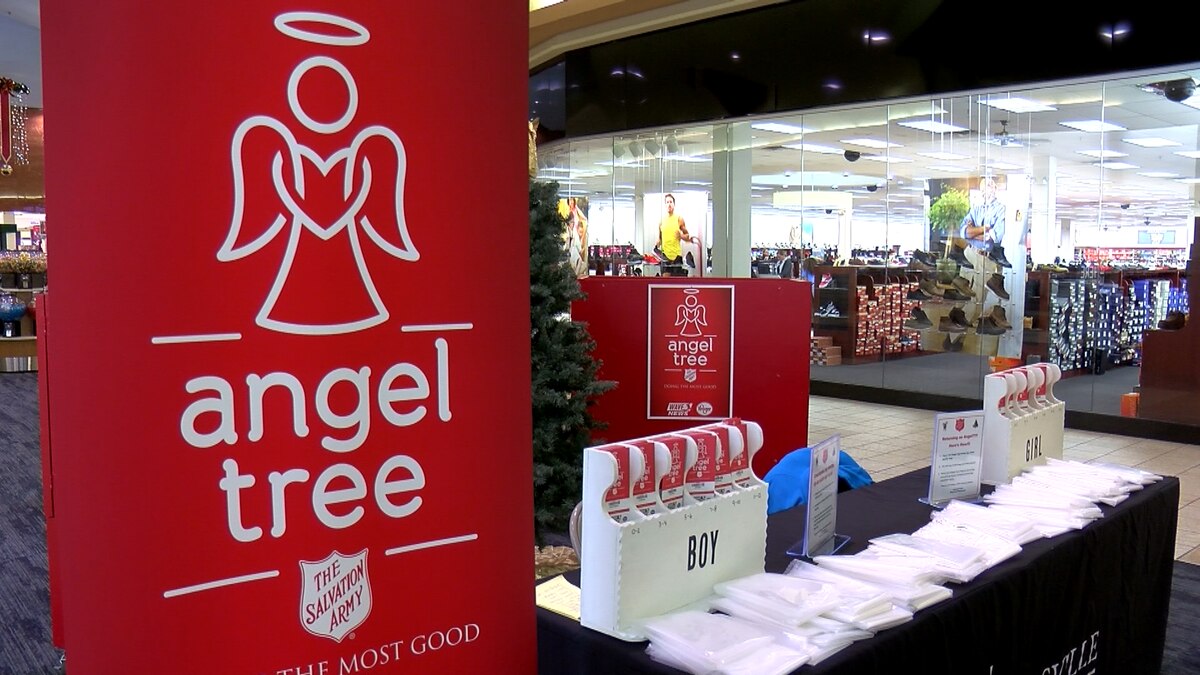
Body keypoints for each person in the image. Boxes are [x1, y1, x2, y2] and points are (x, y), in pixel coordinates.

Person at [959, 177, 1005, 249]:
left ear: (995, 189)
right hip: (972, 253)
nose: (984, 191)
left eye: (988, 187)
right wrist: (985, 228)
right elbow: (964, 232)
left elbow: (993, 237)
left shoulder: (1001, 210)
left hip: (990, 257)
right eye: (982, 189)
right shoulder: (976, 209)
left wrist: (973, 233)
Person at [654, 193, 695, 274]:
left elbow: (687, 236)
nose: (669, 204)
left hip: (676, 256)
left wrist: (681, 236)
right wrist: (658, 242)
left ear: (674, 204)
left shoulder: (679, 219)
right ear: (665, 205)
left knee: (675, 284)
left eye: (671, 202)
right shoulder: (662, 221)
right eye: (667, 202)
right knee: (665, 283)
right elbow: (659, 238)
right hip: (665, 256)